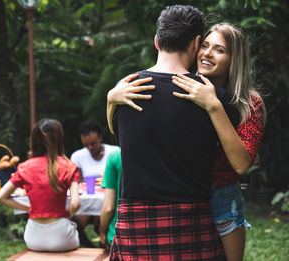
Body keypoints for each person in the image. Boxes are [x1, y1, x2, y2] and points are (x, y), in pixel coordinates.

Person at [108, 23, 265, 261]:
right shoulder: (179, 87)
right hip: (183, 195)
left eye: (219, 50)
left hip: (221, 196)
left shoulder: (247, 103)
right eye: (204, 45)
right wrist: (111, 99)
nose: (207, 53)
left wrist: (213, 105)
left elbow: (242, 164)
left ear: (235, 60)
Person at [0, 119, 81, 252]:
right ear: (59, 139)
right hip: (62, 238)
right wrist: (64, 215)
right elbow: (75, 204)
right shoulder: (69, 166)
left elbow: (1, 197)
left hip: (33, 238)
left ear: (33, 141)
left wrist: (29, 209)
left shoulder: (25, 167)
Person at [70, 120, 119, 247]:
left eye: (93, 143)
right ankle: (89, 247)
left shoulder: (113, 153)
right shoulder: (78, 156)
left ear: (100, 137)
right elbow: (77, 182)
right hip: (86, 202)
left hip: (107, 201)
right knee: (74, 222)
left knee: (103, 220)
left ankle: (104, 245)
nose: (90, 148)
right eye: (86, 145)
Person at [99, 148, 122, 250]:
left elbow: (108, 208)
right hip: (162, 236)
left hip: (119, 238)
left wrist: (102, 233)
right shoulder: (163, 152)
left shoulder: (116, 156)